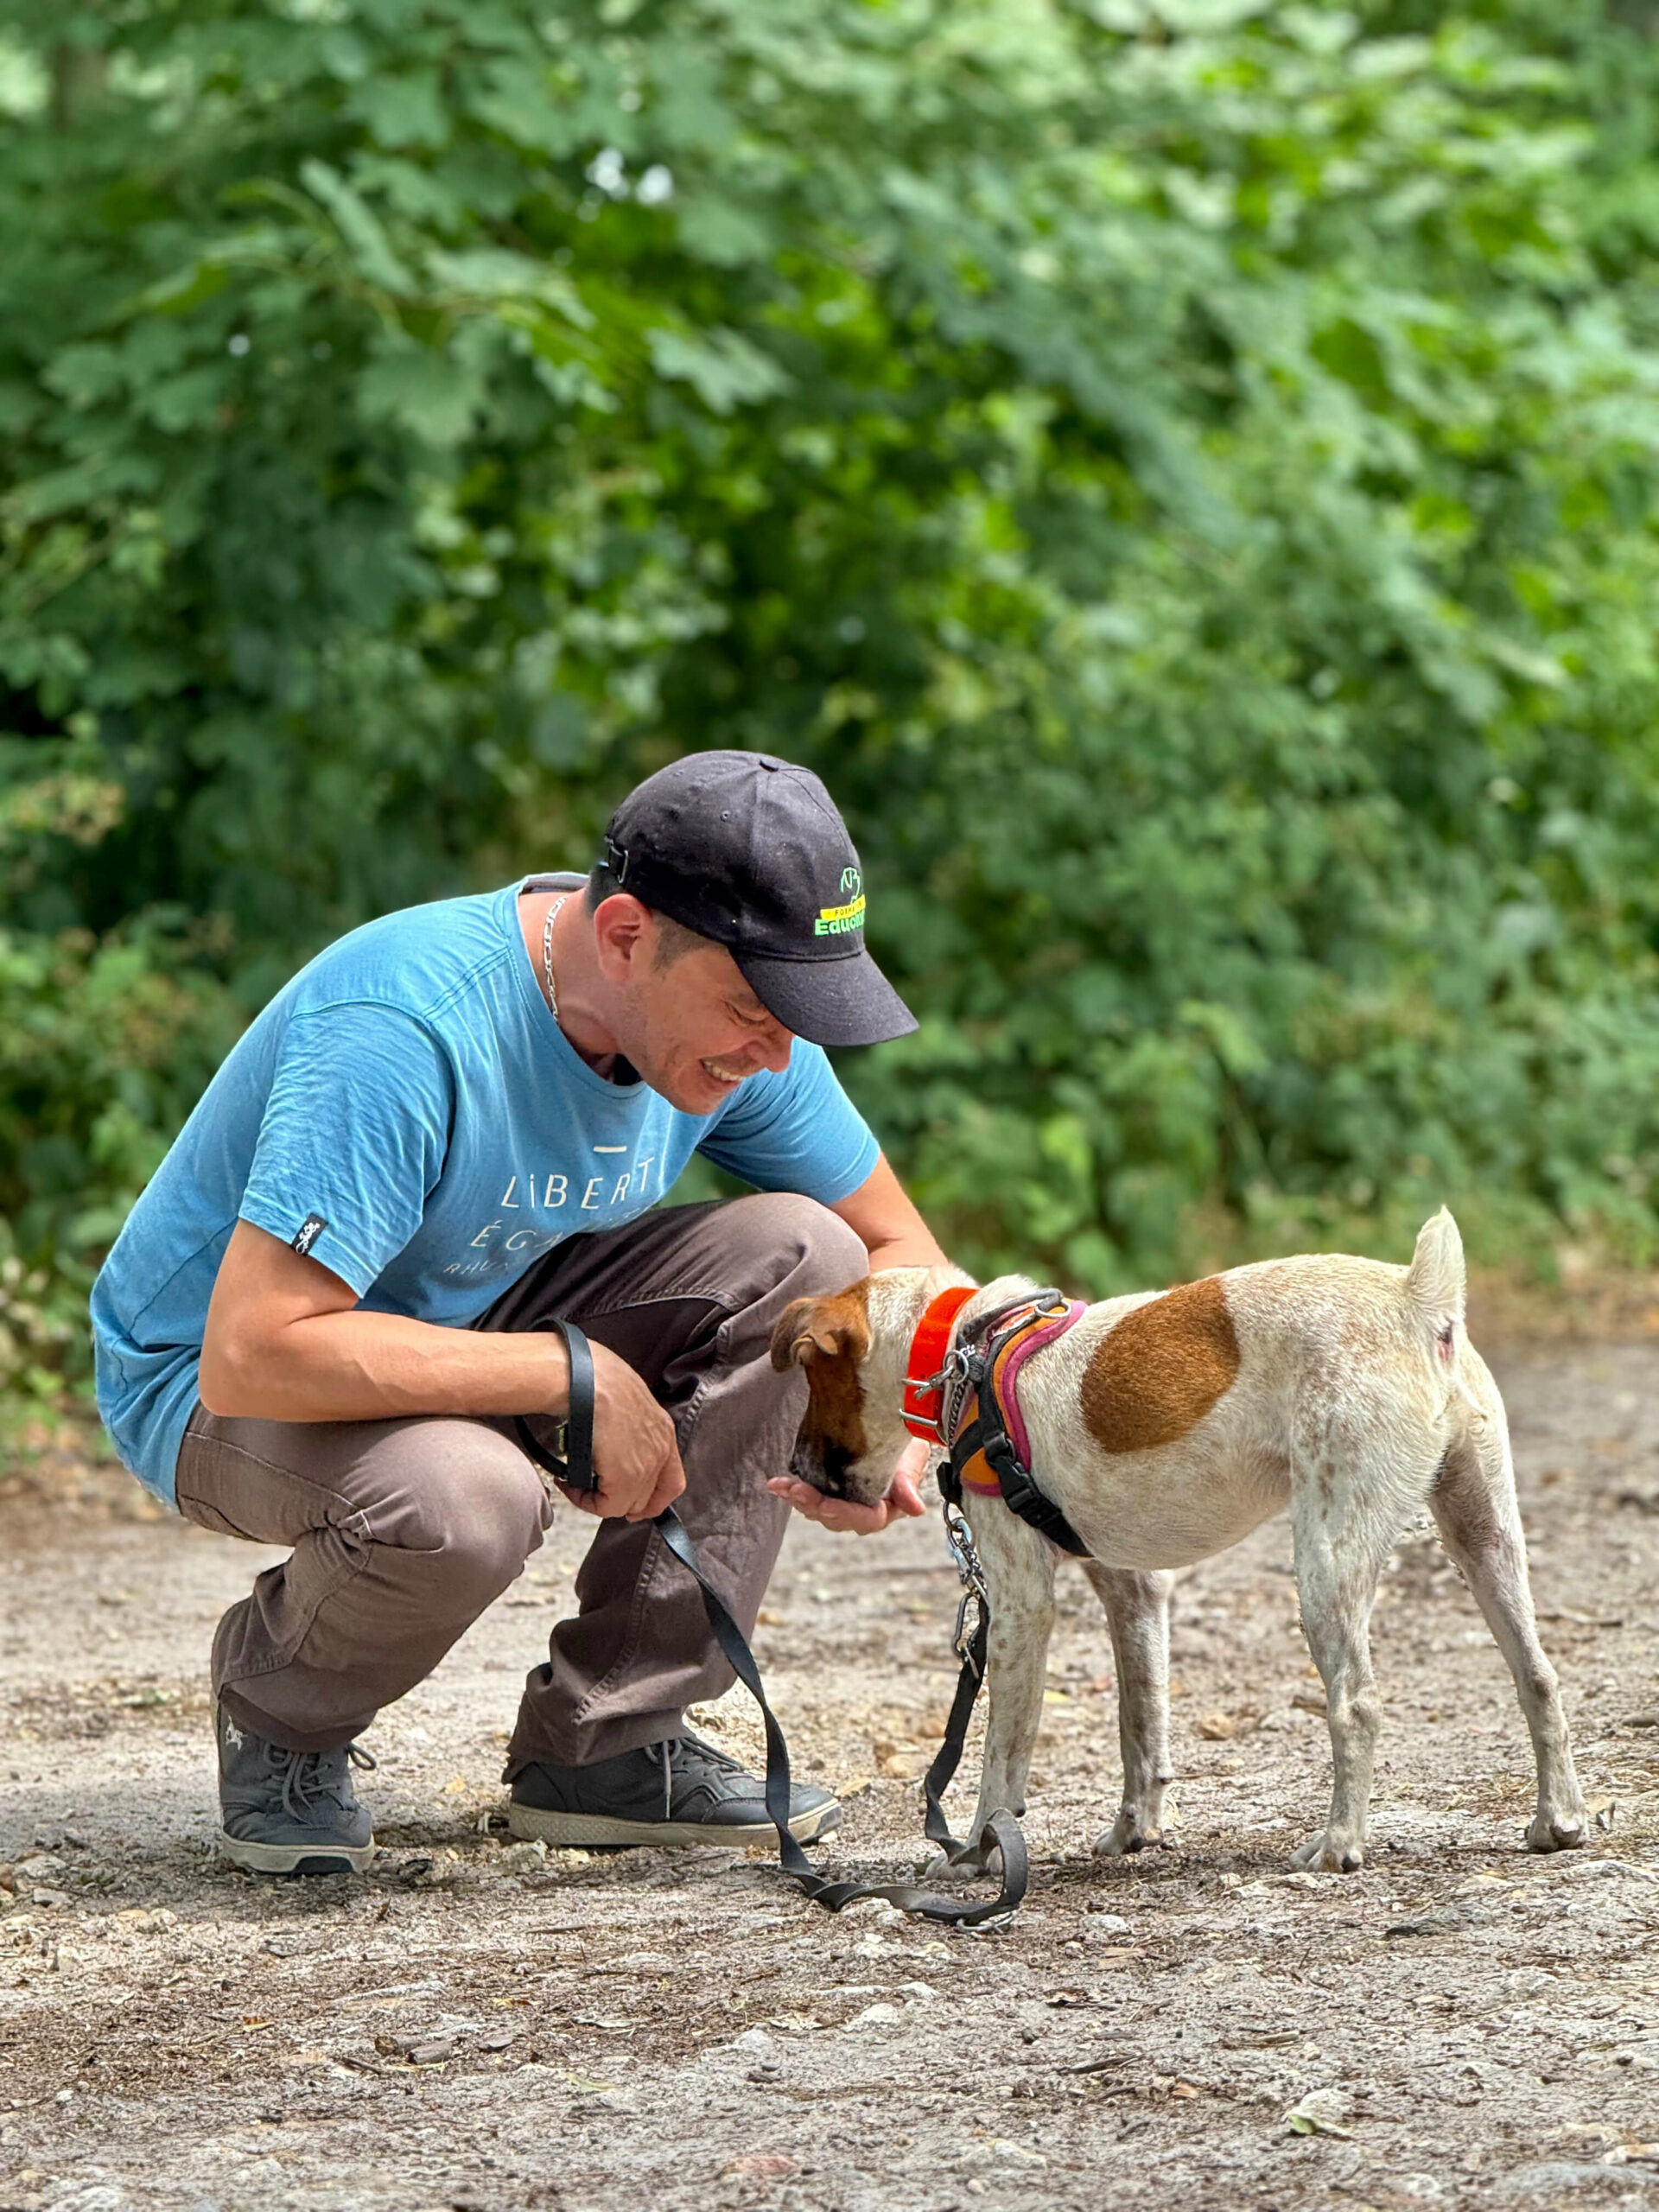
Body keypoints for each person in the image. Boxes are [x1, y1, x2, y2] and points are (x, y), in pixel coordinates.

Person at [90, 750, 946, 1875]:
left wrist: (884, 1417)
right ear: (628, 935)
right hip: (212, 1377)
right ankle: (279, 1711)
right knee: (462, 1500)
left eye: (797, 1012)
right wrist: (567, 1378)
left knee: (813, 1257)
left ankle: (609, 1744)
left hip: (478, 1314)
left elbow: (901, 1250)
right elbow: (252, 1353)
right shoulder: (404, 1027)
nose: (780, 1052)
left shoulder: (737, 1028)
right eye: (752, 1008)